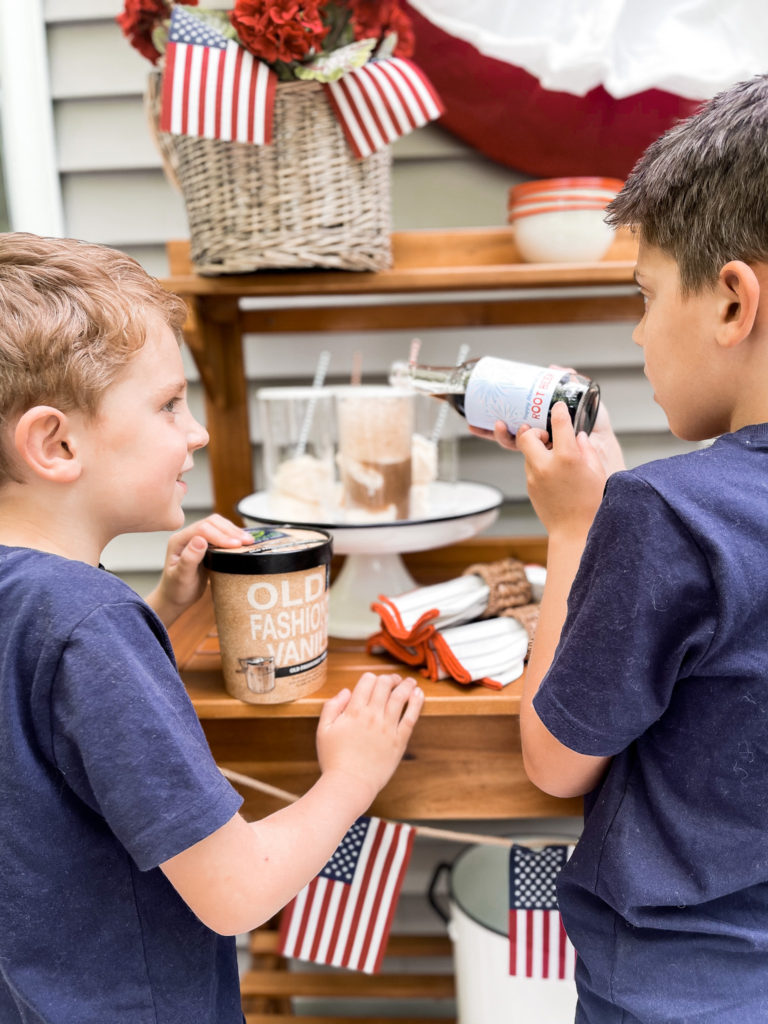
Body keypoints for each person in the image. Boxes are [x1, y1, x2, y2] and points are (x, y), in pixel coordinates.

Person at [0, 233, 424, 1023]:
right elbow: (237, 891)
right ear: (55, 442)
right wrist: (353, 777)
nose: (194, 432)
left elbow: (37, 712)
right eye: (167, 405)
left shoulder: (54, 611)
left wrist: (166, 609)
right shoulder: (91, 626)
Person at [475, 74, 768, 1022]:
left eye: (643, 296)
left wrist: (574, 527)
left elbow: (556, 761)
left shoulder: (666, 514)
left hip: (679, 984)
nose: (638, 334)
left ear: (733, 302)